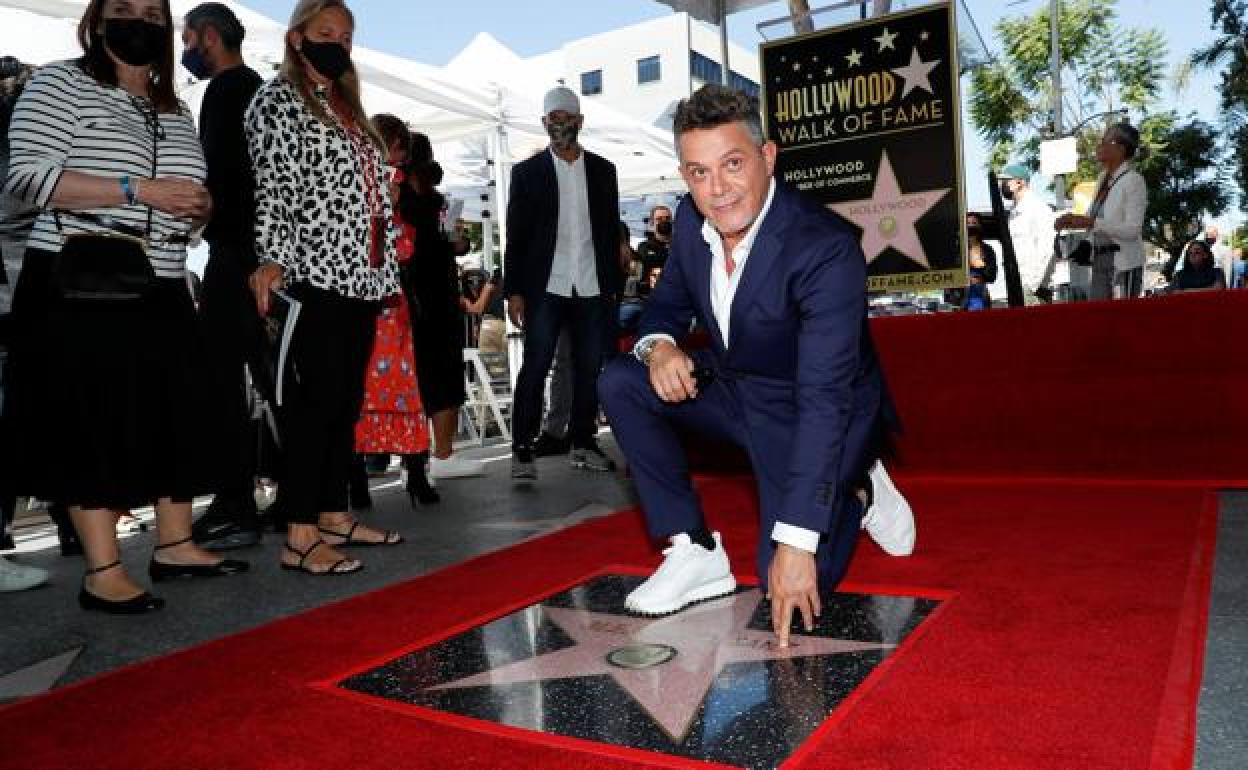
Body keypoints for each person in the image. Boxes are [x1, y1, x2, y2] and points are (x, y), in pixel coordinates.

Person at [598, 85, 912, 646]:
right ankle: (692, 548)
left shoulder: (824, 248)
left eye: (732, 164)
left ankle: (860, 484)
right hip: (738, 391)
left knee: (791, 580)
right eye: (698, 173)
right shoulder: (694, 232)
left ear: (768, 157)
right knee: (622, 379)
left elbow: (824, 396)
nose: (716, 191)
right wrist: (661, 348)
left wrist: (795, 542)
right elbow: (663, 310)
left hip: (812, 409)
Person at [2, 0, 249, 612]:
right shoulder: (61, 82)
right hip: (80, 276)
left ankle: (174, 544)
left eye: (150, 11)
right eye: (122, 8)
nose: (137, 20)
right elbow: (27, 177)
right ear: (96, 19)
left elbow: (187, 194)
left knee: (178, 413)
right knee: (88, 423)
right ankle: (102, 569)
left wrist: (201, 209)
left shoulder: (174, 105)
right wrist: (134, 189)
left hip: (163, 280)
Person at [247, 0, 403, 576]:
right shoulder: (277, 101)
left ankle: (333, 513)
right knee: (311, 405)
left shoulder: (345, 106)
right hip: (311, 273)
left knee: (343, 401)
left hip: (361, 276)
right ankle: (298, 532)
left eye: (345, 35)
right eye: (325, 32)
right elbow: (273, 187)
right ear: (296, 38)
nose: (337, 43)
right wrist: (272, 260)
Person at [182, 2, 267, 551]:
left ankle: (235, 500)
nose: (185, 49)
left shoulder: (224, 90)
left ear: (209, 36)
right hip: (261, 254)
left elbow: (215, 178)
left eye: (187, 38)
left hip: (235, 255)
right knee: (272, 378)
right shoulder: (258, 86)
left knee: (220, 381)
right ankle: (297, 493)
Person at [505, 86, 623, 481]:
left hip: (591, 284)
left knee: (590, 368)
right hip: (545, 286)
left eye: (567, 117)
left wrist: (613, 285)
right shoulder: (526, 173)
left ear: (580, 121)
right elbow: (516, 235)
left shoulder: (605, 170)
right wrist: (514, 291)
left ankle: (583, 442)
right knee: (535, 367)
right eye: (553, 118)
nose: (560, 125)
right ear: (544, 123)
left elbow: (609, 231)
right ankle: (522, 448)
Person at [354, 113, 437, 507]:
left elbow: (406, 248)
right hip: (362, 301)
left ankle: (415, 473)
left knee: (402, 390)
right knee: (360, 391)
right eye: (397, 143)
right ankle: (358, 479)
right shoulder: (359, 178)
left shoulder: (404, 188)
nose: (402, 152)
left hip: (391, 306)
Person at [400, 133, 485, 482]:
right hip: (413, 295)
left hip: (439, 295)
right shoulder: (398, 195)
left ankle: (441, 454)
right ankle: (418, 459)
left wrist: (459, 242)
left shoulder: (436, 200)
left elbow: (455, 245)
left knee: (444, 373)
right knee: (421, 374)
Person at [1056, 123, 1148, 300]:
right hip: (1099, 259)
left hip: (1123, 263)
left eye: (1105, 141)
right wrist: (1071, 221)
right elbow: (1095, 220)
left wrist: (1091, 222)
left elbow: (1132, 230)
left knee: (1121, 321)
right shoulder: (1103, 179)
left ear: (1121, 149)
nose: (1099, 146)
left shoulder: (1133, 180)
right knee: (1099, 318)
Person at [998, 164, 1054, 302]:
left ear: (1019, 182)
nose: (1001, 185)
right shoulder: (1014, 212)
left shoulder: (1038, 208)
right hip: (1016, 285)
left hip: (1032, 288)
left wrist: (1033, 286)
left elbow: (1047, 250)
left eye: (1005, 181)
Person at [636, 203, 672, 273]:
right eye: (659, 219)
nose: (664, 221)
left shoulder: (682, 244)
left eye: (667, 218)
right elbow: (648, 261)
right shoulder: (644, 246)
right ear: (652, 223)